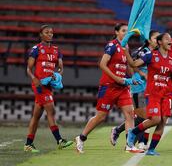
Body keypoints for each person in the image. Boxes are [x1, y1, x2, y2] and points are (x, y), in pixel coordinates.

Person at [74, 23, 142, 154]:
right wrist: (117, 78)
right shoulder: (112, 46)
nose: (125, 33)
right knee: (101, 117)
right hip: (109, 86)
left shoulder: (125, 47)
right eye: (123, 31)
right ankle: (81, 138)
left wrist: (134, 76)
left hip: (122, 87)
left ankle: (129, 145)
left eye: (127, 31)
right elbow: (102, 64)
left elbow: (127, 65)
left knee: (130, 114)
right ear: (116, 32)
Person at [125, 32, 172, 156]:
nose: (170, 41)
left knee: (163, 121)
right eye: (167, 39)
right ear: (159, 42)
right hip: (153, 93)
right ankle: (133, 132)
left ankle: (151, 149)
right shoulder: (151, 55)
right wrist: (126, 51)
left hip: (166, 95)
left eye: (171, 39)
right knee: (155, 119)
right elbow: (133, 64)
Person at [24, 25, 73, 153]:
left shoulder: (57, 50)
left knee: (36, 116)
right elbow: (29, 68)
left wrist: (57, 75)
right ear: (41, 34)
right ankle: (60, 140)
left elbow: (61, 68)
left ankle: (28, 144)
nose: (50, 34)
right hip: (39, 85)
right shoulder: (36, 49)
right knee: (51, 110)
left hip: (48, 85)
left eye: (51, 32)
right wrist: (34, 78)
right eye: (47, 32)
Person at [110, 30, 160, 150]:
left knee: (144, 117)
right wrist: (139, 75)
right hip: (139, 88)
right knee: (147, 118)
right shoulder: (143, 52)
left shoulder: (155, 53)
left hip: (148, 89)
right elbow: (131, 64)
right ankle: (135, 142)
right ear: (148, 40)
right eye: (155, 38)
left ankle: (121, 132)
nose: (157, 41)